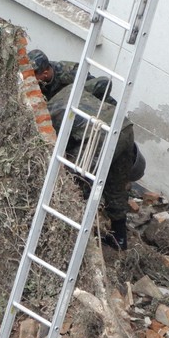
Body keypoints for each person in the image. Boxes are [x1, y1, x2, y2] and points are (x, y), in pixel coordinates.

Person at [47, 84, 138, 250]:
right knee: (116, 186)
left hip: (101, 136)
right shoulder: (70, 87)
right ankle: (120, 239)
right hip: (123, 126)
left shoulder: (49, 115)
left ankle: (75, 234)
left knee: (79, 182)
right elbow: (103, 81)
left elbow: (57, 149)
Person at [28, 49, 113, 102]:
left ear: (45, 74)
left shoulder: (69, 72)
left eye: (31, 76)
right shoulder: (36, 82)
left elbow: (101, 84)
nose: (27, 79)